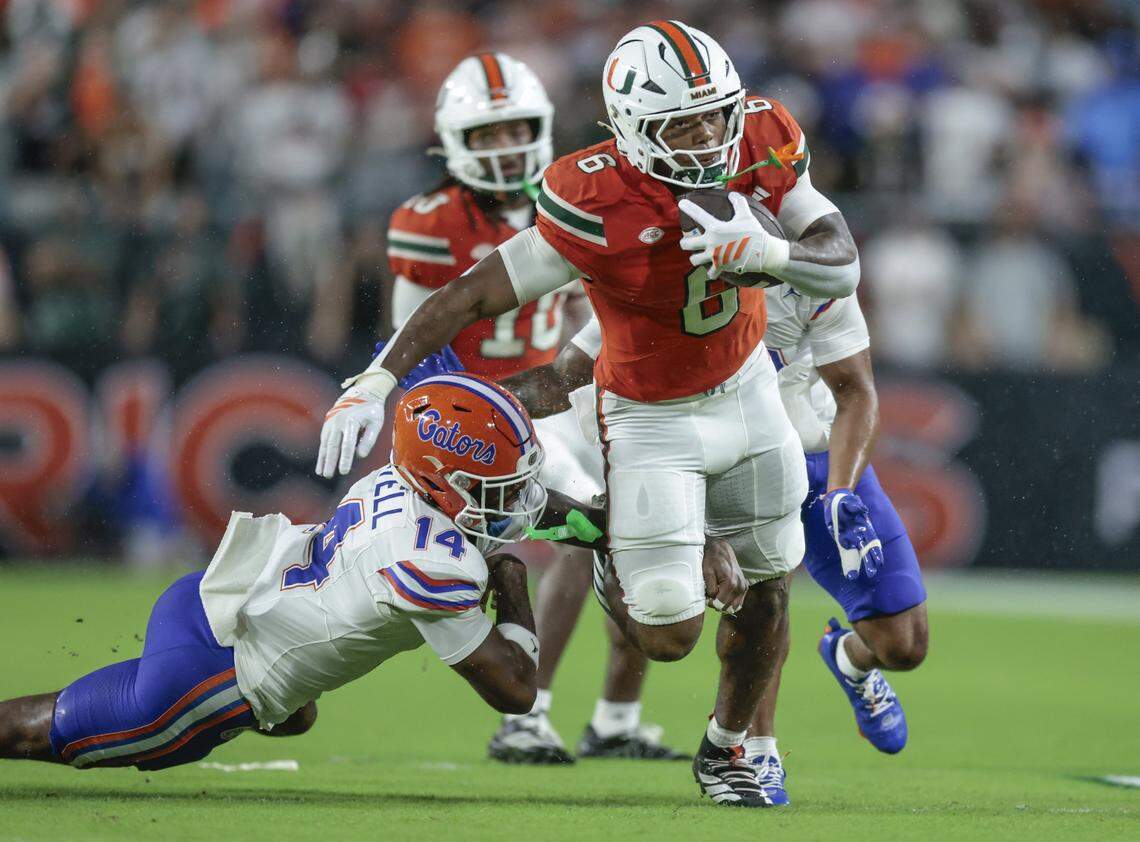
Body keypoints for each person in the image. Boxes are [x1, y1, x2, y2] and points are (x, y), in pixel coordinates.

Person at [316, 21, 860, 807]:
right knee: (666, 631)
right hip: (647, 417)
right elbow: (473, 292)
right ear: (636, 130)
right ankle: (618, 566)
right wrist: (376, 378)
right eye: (684, 121)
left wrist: (773, 256)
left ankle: (729, 749)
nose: (709, 134)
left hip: (747, 390)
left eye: (717, 113)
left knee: (772, 580)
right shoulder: (592, 193)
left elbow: (840, 260)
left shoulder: (762, 139)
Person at [0, 374, 566, 770]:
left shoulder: (394, 479)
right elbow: (515, 691)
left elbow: (495, 515)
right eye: (503, 487)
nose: (516, 499)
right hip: (214, 674)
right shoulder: (431, 562)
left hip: (212, 597)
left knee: (296, 715)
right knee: (43, 731)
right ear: (447, 481)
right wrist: (512, 582)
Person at [386, 52, 682, 763]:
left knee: (627, 536)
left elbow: (593, 301)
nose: (504, 147)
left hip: (563, 402)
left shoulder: (574, 198)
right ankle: (532, 712)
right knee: (589, 541)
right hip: (481, 416)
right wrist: (449, 420)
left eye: (515, 129)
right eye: (486, 134)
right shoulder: (429, 223)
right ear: (453, 141)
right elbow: (413, 336)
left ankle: (615, 716)